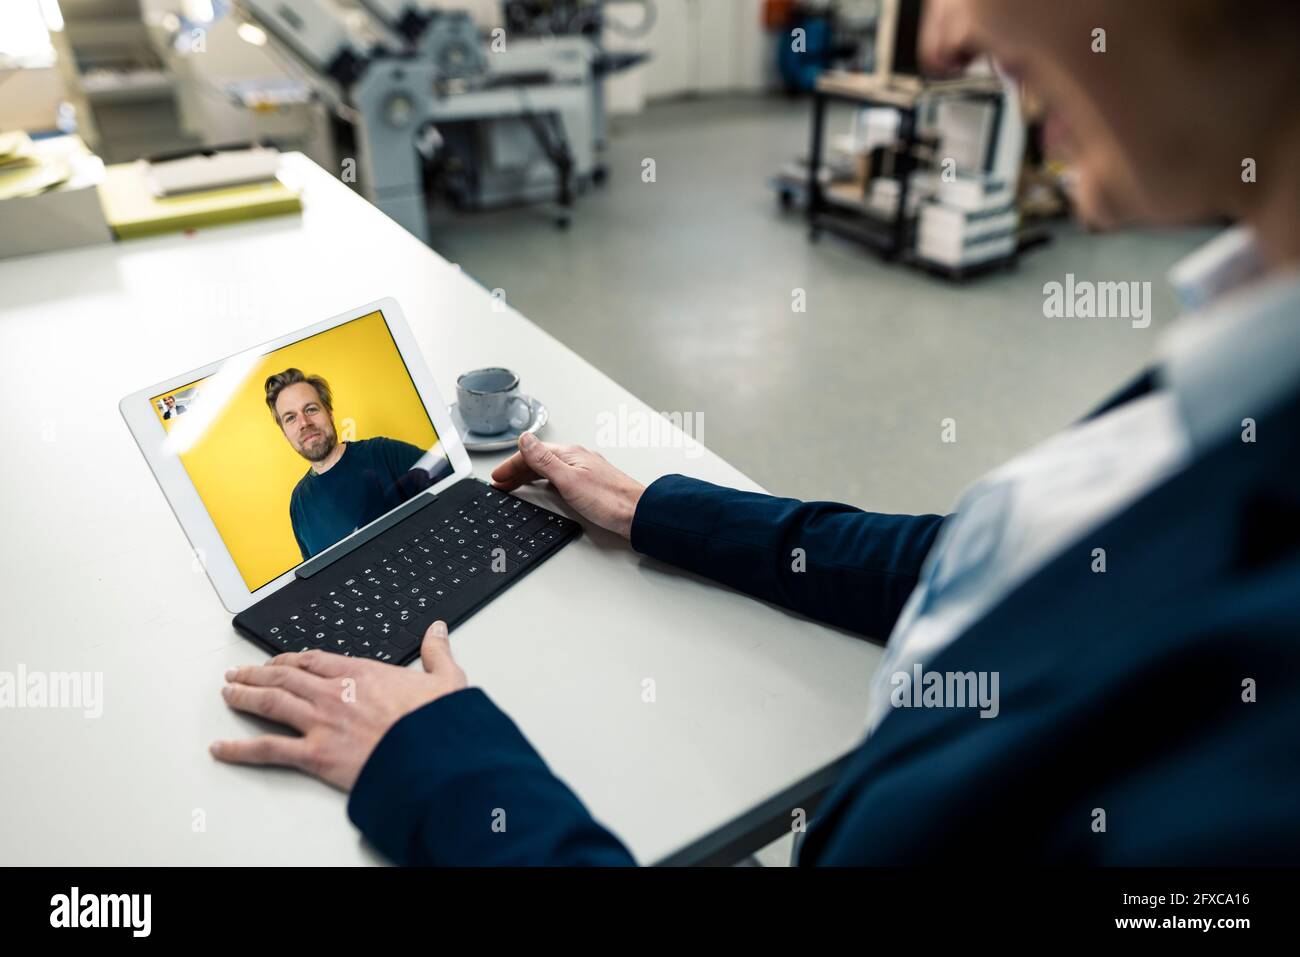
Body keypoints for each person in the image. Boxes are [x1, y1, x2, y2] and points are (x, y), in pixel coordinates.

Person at [211, 0, 1300, 864]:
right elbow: (988, 560)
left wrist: (441, 772)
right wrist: (658, 510)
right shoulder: (1240, 368)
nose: (943, 36)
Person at [265, 368, 451, 560]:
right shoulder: (299, 504)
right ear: (285, 434)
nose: (304, 422)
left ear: (329, 413)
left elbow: (457, 483)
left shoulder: (382, 452)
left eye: (311, 409)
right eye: (291, 418)